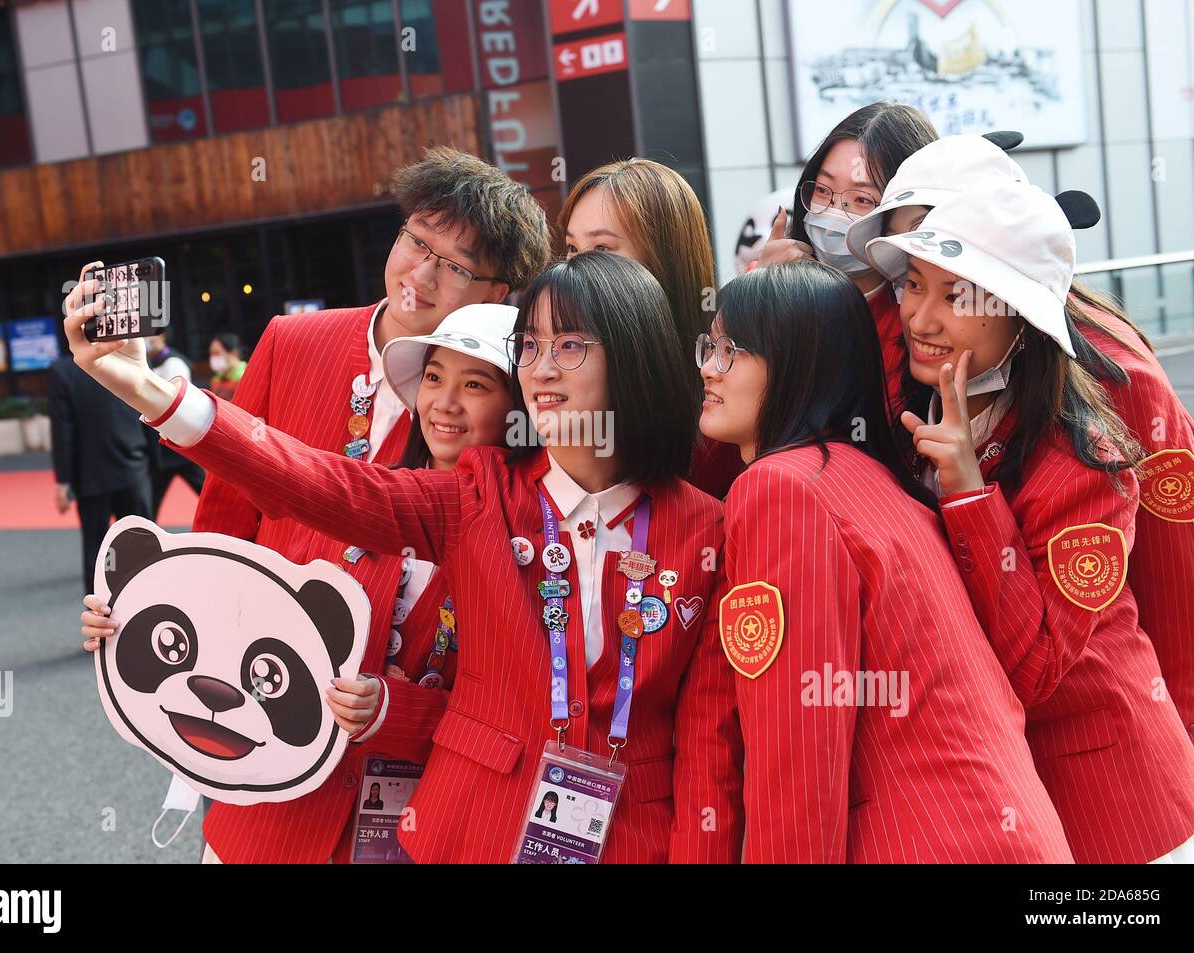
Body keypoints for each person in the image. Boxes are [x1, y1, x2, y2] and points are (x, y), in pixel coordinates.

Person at [64, 251, 744, 864]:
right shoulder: (478, 493)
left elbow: (708, 744)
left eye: (569, 345)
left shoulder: (708, 527)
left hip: (631, 840)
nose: (539, 367)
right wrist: (149, 391)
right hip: (466, 833)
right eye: (530, 345)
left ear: (635, 355)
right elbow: (313, 481)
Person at [75, 146, 551, 864]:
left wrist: (401, 710)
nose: (421, 273)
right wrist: (139, 604)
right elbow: (222, 538)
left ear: (501, 291)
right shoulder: (295, 342)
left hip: (416, 788)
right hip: (267, 760)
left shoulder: (505, 411)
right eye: (416, 242)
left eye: (455, 265)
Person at [869, 180, 1194, 863]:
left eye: (957, 294)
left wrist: (967, 492)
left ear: (1021, 315)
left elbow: (1035, 665)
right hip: (1013, 800)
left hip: (1115, 811)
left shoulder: (1090, 462)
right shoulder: (930, 407)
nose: (921, 319)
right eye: (913, 284)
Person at [697, 261, 1072, 862]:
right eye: (708, 346)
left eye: (732, 351)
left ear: (800, 364)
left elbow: (799, 747)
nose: (709, 370)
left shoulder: (780, 489)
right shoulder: (863, 472)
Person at [556, 157, 744, 498]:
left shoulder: (722, 387)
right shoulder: (548, 370)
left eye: (601, 248)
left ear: (663, 259)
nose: (579, 267)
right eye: (572, 248)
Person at [755, 102, 937, 412]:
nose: (833, 214)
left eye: (861, 199)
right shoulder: (763, 281)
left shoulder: (921, 321)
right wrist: (760, 300)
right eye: (823, 191)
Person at [48, 354, 152, 594]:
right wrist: (151, 460)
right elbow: (147, 408)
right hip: (133, 465)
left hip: (90, 474)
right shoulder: (127, 358)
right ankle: (148, 598)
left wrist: (63, 481)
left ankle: (99, 616)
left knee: (97, 548)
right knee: (143, 541)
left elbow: (62, 428)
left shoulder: (63, 371)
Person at [143, 328, 206, 513]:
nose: (145, 340)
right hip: (165, 444)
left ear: (162, 335)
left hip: (178, 440)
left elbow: (176, 403)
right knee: (152, 499)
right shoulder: (152, 363)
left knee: (204, 491)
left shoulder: (174, 363)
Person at [207, 332, 246, 402]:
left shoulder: (245, 376)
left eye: (216, 353)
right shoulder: (216, 378)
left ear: (234, 353)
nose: (212, 358)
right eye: (211, 354)